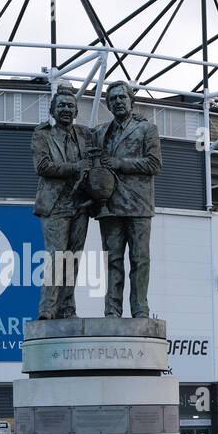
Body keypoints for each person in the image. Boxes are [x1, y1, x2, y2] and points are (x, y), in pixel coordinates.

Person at [94, 81, 162, 319]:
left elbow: (154, 164)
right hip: (110, 206)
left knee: (139, 260)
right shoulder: (101, 131)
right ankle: (112, 310)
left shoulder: (146, 129)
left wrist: (121, 163)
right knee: (112, 260)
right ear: (108, 105)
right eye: (113, 99)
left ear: (131, 101)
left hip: (138, 205)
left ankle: (140, 309)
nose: (118, 102)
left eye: (122, 97)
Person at [31, 84, 94, 319]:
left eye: (70, 106)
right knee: (56, 257)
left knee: (73, 259)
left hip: (81, 204)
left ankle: (68, 308)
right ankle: (48, 308)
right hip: (55, 205)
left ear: (77, 111)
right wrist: (75, 168)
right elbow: (43, 166)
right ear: (53, 110)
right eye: (62, 106)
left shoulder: (86, 135)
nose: (66, 109)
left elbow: (109, 136)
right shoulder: (42, 134)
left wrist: (136, 116)